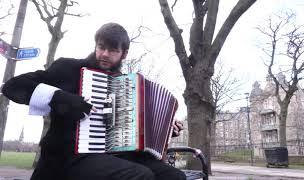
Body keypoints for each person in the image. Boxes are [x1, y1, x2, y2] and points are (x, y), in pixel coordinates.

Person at [2, 22, 186, 180]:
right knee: (139, 175)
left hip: (113, 157)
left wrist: (167, 130)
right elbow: (12, 86)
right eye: (101, 47)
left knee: (174, 176)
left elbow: (136, 134)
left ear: (124, 53)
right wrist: (59, 97)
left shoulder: (127, 85)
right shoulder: (68, 68)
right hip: (68, 157)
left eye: (113, 50)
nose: (105, 54)